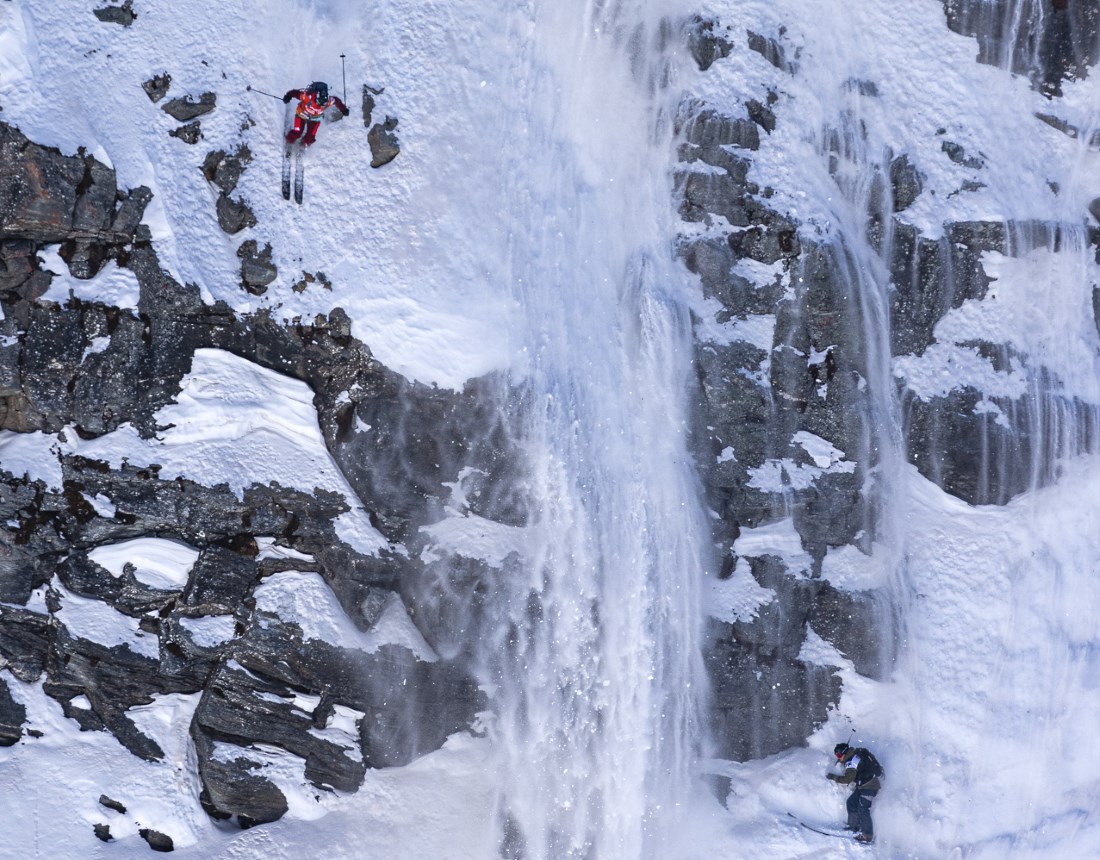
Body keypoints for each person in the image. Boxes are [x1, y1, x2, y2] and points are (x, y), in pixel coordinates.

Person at [826, 742, 883, 844]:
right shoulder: (855, 755)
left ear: (844, 753)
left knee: (863, 809)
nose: (838, 758)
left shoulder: (851, 762)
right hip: (863, 785)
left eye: (839, 755)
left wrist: (833, 777)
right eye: (836, 756)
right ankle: (854, 826)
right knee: (851, 802)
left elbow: (848, 779)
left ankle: (867, 835)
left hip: (870, 786)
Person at [282, 81, 349, 147]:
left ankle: (303, 145)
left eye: (323, 105)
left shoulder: (328, 101)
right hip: (301, 115)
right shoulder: (307, 97)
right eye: (319, 105)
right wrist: (288, 96)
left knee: (310, 137)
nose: (321, 107)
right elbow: (295, 93)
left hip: (315, 119)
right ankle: (288, 141)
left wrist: (343, 109)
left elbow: (337, 101)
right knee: (297, 132)